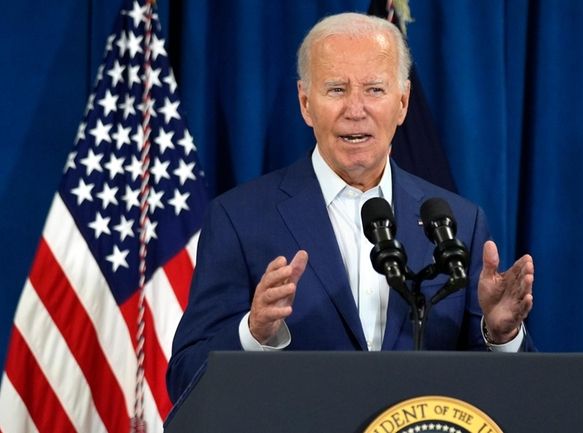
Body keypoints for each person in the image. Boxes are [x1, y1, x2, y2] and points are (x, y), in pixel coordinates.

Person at [166, 12, 535, 403]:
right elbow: (186, 379)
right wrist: (253, 333)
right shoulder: (240, 218)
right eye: (336, 90)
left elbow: (511, 398)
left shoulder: (457, 222)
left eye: (374, 90)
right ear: (306, 104)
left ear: (403, 103)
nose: (355, 109)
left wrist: (500, 336)